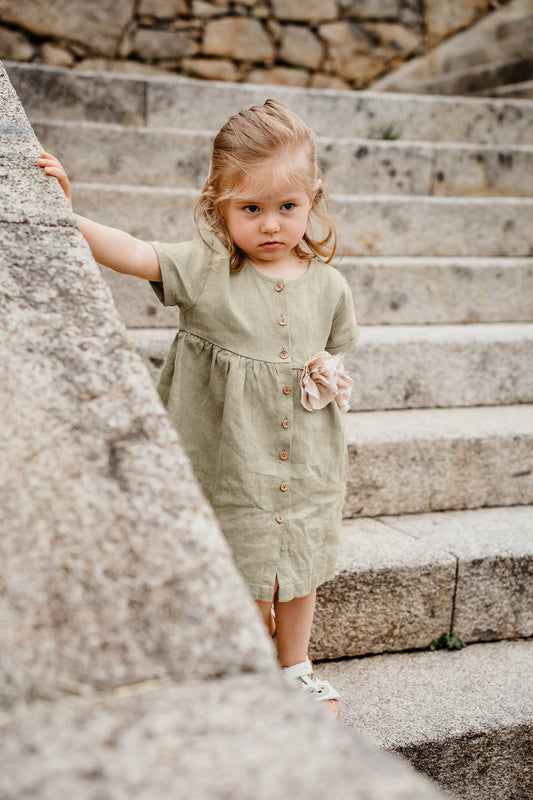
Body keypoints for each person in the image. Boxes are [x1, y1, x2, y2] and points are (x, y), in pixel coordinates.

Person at [39, 99, 358, 717]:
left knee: (298, 570)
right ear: (220, 204)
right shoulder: (208, 270)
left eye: (287, 207)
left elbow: (332, 356)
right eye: (251, 209)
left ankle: (296, 666)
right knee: (238, 565)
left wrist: (324, 377)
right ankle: (244, 662)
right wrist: (66, 214)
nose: (271, 224)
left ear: (312, 199)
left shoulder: (330, 285)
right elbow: (134, 253)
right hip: (230, 461)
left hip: (306, 463)